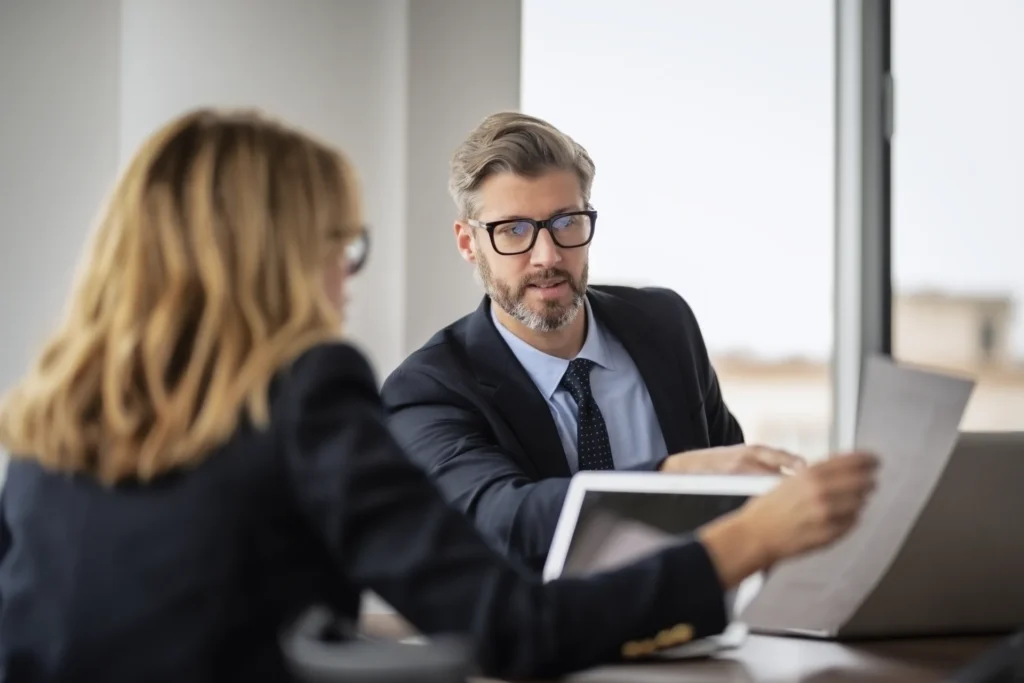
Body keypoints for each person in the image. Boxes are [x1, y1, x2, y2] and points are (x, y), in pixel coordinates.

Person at [0, 108, 877, 682]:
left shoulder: (53, 413)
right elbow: (510, 625)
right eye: (339, 248)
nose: (344, 284)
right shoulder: (321, 392)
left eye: (566, 224)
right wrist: (746, 538)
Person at [380, 112, 822, 570]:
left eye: (566, 222)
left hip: (702, 626)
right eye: (513, 230)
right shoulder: (427, 388)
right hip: (552, 638)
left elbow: (732, 491)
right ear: (468, 243)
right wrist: (671, 478)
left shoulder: (666, 325)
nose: (547, 256)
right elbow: (503, 520)